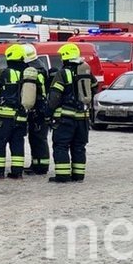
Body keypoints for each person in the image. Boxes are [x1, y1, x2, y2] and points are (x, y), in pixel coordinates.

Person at [48, 43, 98, 183]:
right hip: (83, 118)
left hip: (66, 118)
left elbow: (55, 97)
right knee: (79, 146)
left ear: (65, 57)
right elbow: (94, 88)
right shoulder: (86, 72)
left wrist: (48, 112)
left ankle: (62, 176)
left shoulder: (62, 73)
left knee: (61, 145)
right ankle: (78, 175)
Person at [0, 44, 27, 179]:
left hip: (5, 116)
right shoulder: (29, 73)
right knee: (17, 144)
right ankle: (17, 172)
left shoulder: (5, 72)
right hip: (21, 116)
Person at [22, 44, 51, 175]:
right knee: (36, 137)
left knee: (38, 138)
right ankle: (36, 164)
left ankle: (41, 167)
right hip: (41, 106)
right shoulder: (40, 66)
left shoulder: (33, 69)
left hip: (38, 108)